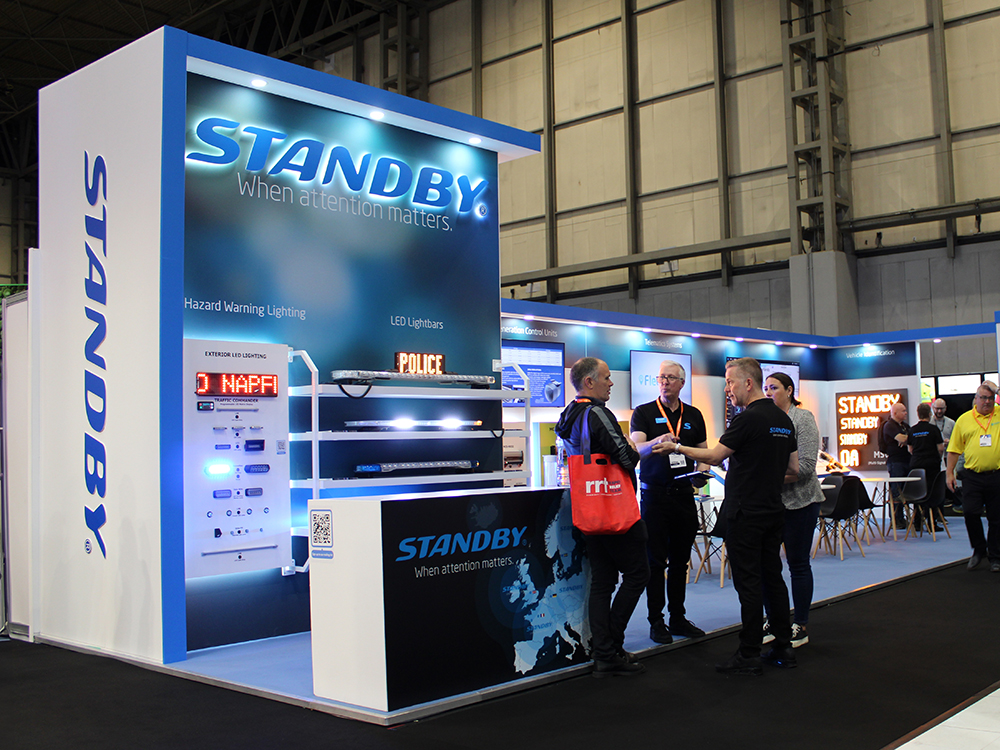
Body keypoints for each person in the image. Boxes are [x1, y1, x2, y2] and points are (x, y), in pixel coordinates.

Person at [660, 358, 799, 676]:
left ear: (748, 383)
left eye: (730, 383)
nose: (727, 389)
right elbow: (793, 469)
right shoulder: (783, 419)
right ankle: (783, 647)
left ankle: (749, 653)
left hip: (745, 512)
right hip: (772, 510)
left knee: (748, 583)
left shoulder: (748, 419)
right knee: (773, 579)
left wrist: (677, 448)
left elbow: (713, 455)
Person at [555, 357, 649, 677]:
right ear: (589, 382)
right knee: (638, 574)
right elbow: (625, 455)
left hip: (589, 512)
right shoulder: (596, 413)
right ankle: (610, 646)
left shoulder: (568, 415)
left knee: (603, 582)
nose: (611, 383)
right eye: (607, 378)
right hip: (616, 511)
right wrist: (634, 451)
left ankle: (604, 652)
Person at [630, 359, 708, 644]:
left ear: (681, 383)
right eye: (661, 377)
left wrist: (703, 473)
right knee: (655, 562)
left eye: (670, 378)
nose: (664, 382)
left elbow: (702, 454)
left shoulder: (695, 415)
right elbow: (636, 449)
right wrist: (658, 441)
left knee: (679, 562)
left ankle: (677, 617)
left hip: (684, 496)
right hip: (654, 497)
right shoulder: (644, 413)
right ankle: (656, 621)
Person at [761, 372, 823, 649]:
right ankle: (774, 619)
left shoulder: (803, 419)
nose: (768, 392)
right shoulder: (765, 419)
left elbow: (806, 468)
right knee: (768, 565)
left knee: (798, 564)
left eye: (773, 388)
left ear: (789, 390)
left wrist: (765, 476)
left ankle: (801, 623)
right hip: (772, 504)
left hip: (802, 503)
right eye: (765, 388)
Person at [946, 381, 1000, 572]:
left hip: (997, 476)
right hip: (972, 476)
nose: (987, 402)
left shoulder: (999, 414)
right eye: (983, 398)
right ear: (975, 399)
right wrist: (949, 473)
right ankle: (979, 550)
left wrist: (997, 389)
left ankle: (995, 556)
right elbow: (953, 450)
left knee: (996, 518)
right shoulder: (964, 420)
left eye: (991, 398)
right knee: (969, 512)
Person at [907, 402, 946, 532]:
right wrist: (938, 459)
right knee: (932, 493)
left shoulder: (912, 430)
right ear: (930, 414)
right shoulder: (934, 429)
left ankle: (917, 522)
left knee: (918, 494)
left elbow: (910, 449)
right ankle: (932, 522)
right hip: (931, 464)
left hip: (916, 465)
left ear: (918, 415)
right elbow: (940, 448)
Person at [882, 401, 911, 527]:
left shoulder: (905, 426)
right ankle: (896, 519)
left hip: (907, 461)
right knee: (896, 491)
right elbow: (903, 439)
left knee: (905, 491)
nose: (906, 413)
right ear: (895, 413)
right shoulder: (889, 425)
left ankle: (904, 517)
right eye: (903, 411)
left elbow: (910, 438)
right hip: (896, 463)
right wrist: (905, 439)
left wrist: (906, 439)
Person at [931, 398, 958, 509]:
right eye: (937, 409)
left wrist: (949, 442)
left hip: (949, 457)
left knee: (951, 480)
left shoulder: (951, 423)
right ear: (933, 408)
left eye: (941, 409)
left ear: (945, 408)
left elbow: (957, 440)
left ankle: (955, 503)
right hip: (935, 458)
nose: (939, 411)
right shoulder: (929, 423)